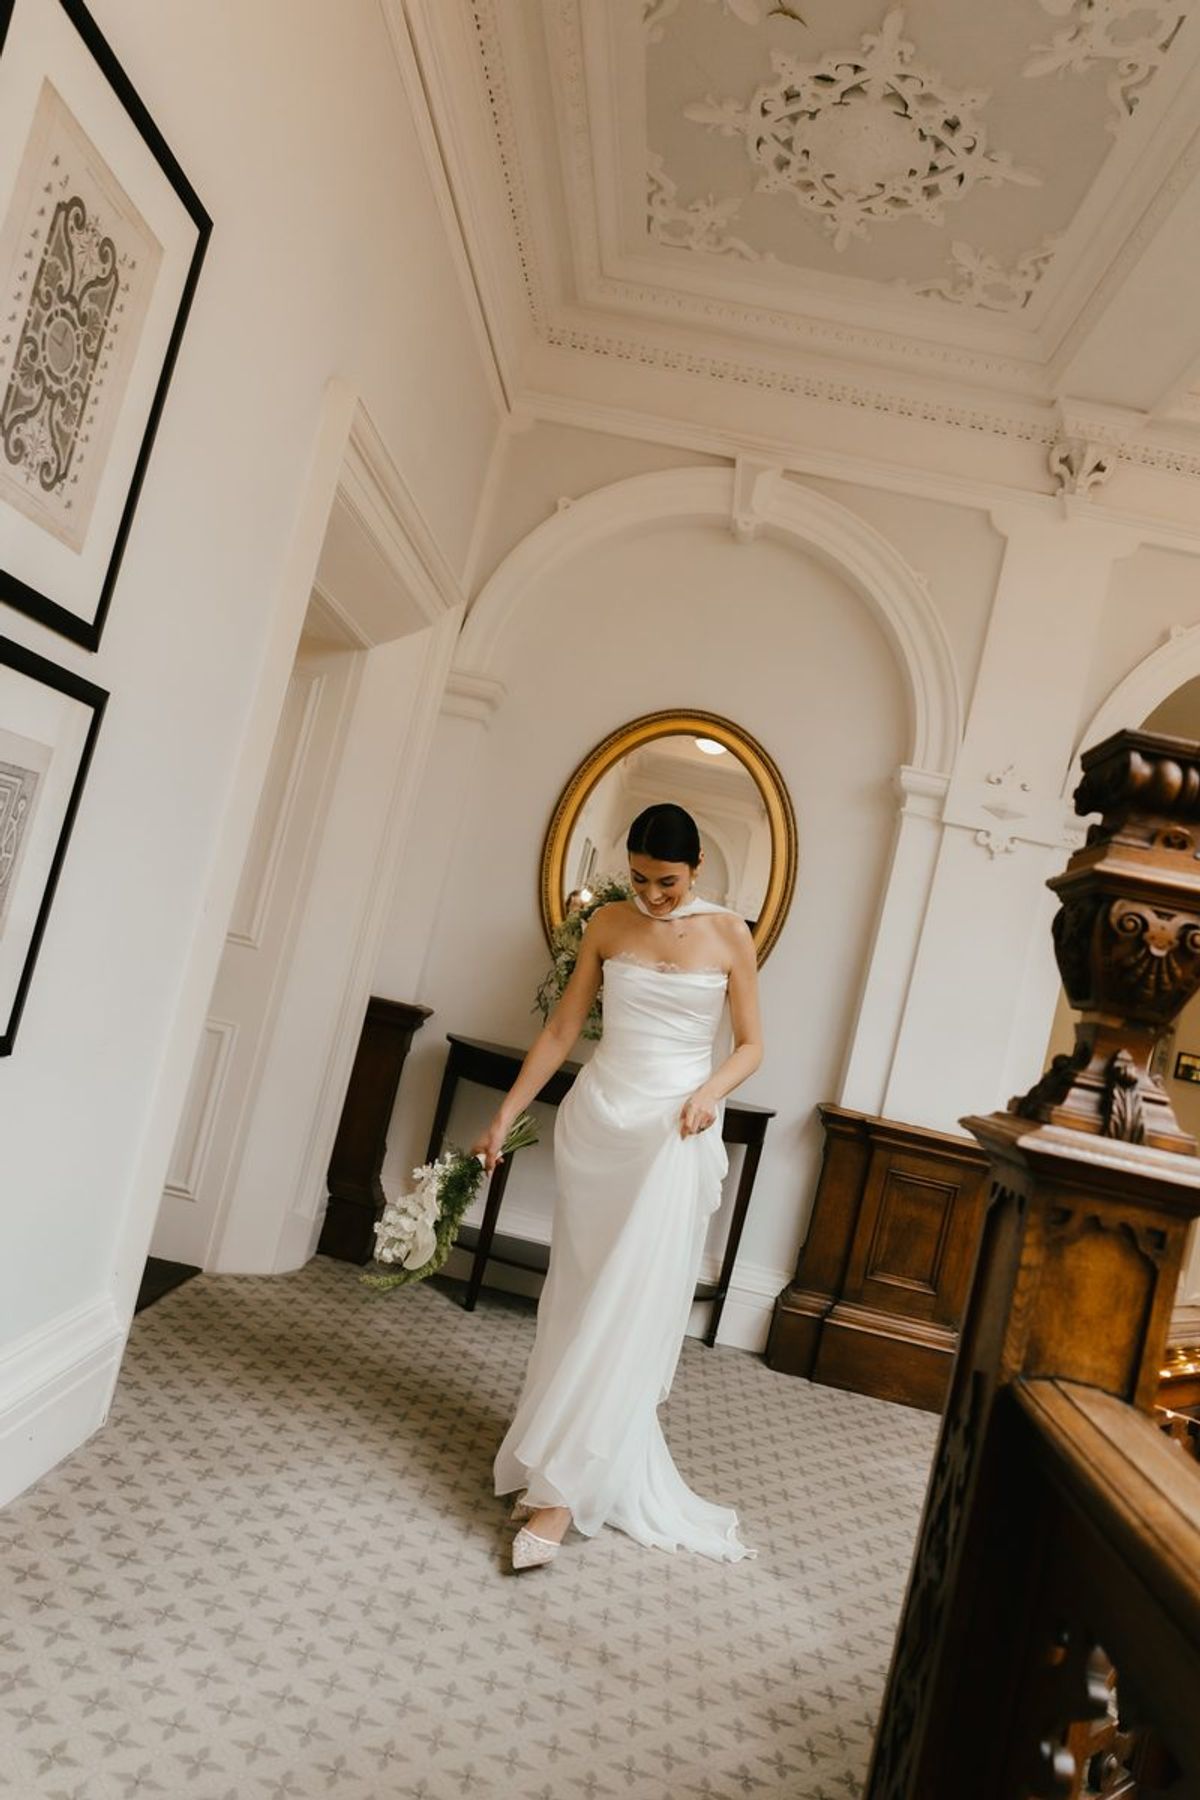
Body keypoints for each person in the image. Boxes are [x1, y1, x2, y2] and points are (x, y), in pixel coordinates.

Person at [471, 802, 764, 1571]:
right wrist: (506, 1114)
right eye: (638, 878)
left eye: (666, 881)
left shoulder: (731, 933)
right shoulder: (606, 924)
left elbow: (753, 1044)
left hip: (673, 1133)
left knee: (629, 1305)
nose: (652, 895)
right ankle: (553, 1458)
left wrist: (709, 1093)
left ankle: (561, 1495)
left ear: (696, 869)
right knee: (578, 1293)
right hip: (599, 1123)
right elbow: (565, 1030)